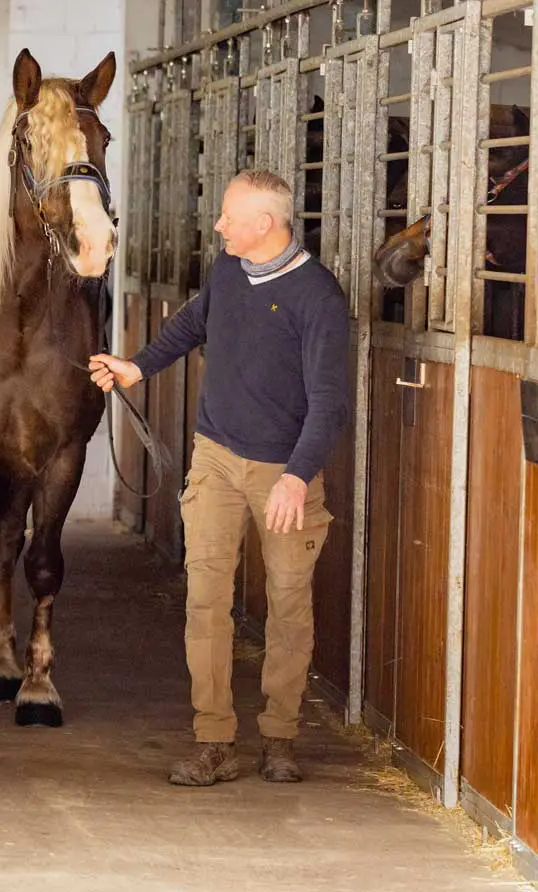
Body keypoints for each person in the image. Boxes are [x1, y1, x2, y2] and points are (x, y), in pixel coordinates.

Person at [88, 169, 349, 787]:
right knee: (207, 601)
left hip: (285, 470)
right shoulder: (229, 272)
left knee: (288, 605)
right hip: (216, 458)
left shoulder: (319, 299)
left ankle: (280, 737)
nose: (219, 225)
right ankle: (214, 738)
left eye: (230, 216)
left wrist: (296, 477)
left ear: (266, 224)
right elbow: (193, 323)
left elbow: (330, 401)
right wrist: (137, 367)